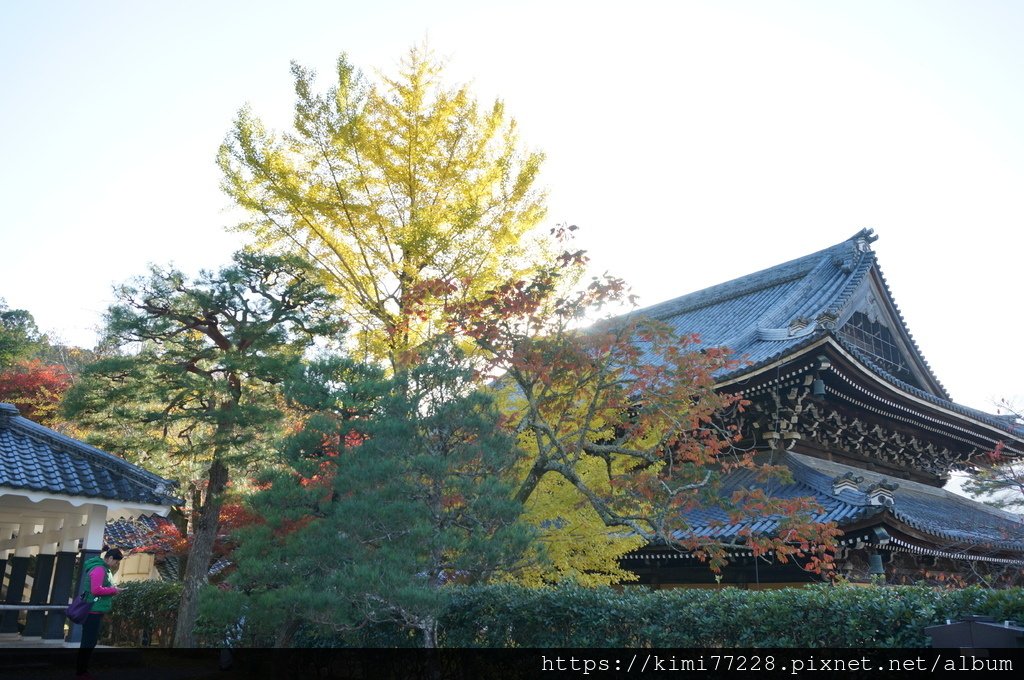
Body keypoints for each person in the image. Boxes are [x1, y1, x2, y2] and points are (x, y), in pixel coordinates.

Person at [76, 547, 123, 679]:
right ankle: (81, 671)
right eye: (116, 562)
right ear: (110, 558)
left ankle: (82, 670)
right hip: (92, 611)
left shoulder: (103, 569)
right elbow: (96, 590)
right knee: (88, 642)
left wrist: (113, 589)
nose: (116, 565)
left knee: (89, 641)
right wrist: (114, 591)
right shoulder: (99, 569)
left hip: (96, 610)